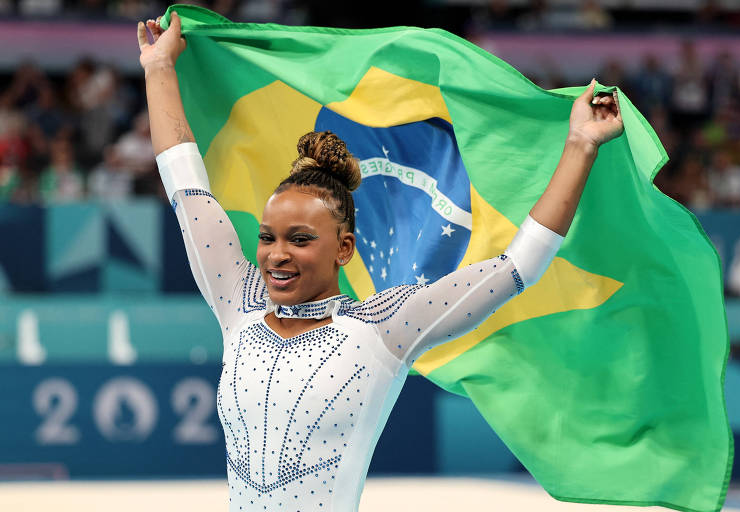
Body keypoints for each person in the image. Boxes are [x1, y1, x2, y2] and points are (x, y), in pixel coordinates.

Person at [137, 11, 623, 512]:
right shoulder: (236, 302)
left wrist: (580, 145)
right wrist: (158, 68)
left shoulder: (385, 326)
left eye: (300, 240)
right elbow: (186, 183)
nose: (276, 254)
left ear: (344, 248)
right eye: (267, 237)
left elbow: (517, 266)